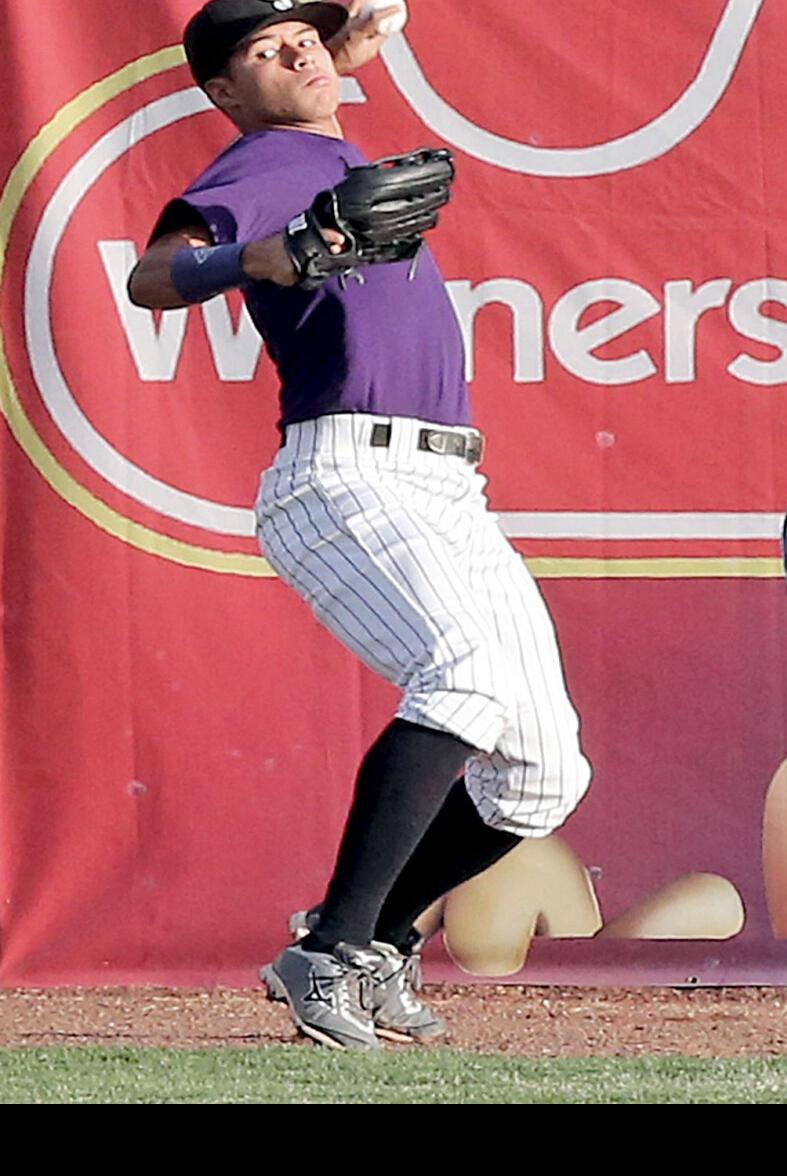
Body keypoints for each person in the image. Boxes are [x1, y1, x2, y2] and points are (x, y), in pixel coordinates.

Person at [128, 0, 593, 1050]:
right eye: (260, 47)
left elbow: (348, 38)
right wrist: (260, 257)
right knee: (466, 677)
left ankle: (375, 934)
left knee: (545, 771)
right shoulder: (267, 162)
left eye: (300, 34)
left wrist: (334, 42)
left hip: (445, 492)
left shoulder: (324, 139)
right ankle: (326, 951)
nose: (292, 49)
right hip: (346, 475)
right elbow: (149, 278)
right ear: (222, 95)